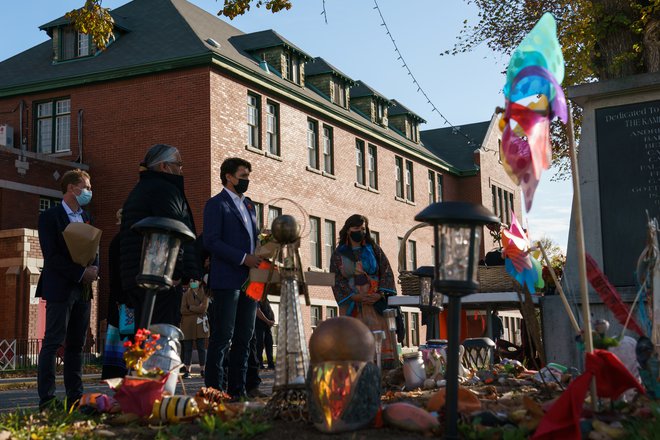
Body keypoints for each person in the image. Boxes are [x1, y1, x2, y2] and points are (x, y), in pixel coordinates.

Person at [119, 144, 202, 329]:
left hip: (137, 274)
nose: (181, 169)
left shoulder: (141, 189)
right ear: (164, 166)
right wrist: (176, 273)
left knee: (144, 333)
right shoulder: (165, 191)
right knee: (160, 335)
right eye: (178, 164)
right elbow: (174, 232)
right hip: (159, 277)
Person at [36, 169, 98, 410]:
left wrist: (93, 269)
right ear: (72, 188)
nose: (89, 192)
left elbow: (94, 247)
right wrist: (80, 273)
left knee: (75, 345)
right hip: (60, 288)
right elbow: (51, 256)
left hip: (83, 291)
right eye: (87, 187)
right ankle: (48, 399)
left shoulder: (87, 216)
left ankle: (75, 397)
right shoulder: (50, 217)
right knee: (52, 343)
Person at [203, 157, 261, 399]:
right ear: (228, 176)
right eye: (242, 176)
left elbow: (253, 239)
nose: (246, 180)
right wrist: (242, 258)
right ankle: (214, 391)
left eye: (248, 176)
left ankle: (238, 391)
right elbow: (211, 241)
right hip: (227, 279)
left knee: (245, 337)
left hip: (253, 280)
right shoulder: (216, 204)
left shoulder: (249, 205)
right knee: (222, 337)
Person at [329, 214, 398, 369]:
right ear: (348, 230)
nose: (360, 231)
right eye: (356, 228)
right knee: (356, 338)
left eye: (363, 229)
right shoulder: (339, 254)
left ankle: (384, 377)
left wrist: (379, 294)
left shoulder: (374, 249)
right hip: (352, 304)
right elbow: (336, 279)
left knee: (379, 339)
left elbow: (386, 272)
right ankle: (358, 378)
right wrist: (354, 296)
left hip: (375, 301)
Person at [101, 209, 129, 380]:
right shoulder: (122, 241)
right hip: (123, 300)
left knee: (120, 336)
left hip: (119, 299)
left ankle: (116, 371)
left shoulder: (116, 241)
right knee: (124, 335)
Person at [179, 279, 209, 378]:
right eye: (191, 280)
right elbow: (183, 310)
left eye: (194, 280)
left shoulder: (205, 292)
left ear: (200, 281)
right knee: (188, 347)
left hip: (200, 323)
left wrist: (190, 307)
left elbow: (204, 308)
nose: (192, 282)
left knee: (201, 347)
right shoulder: (186, 294)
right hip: (188, 324)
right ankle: (187, 370)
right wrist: (197, 309)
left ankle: (203, 370)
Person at [255, 297, 276, 369]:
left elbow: (270, 310)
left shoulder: (266, 299)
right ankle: (259, 364)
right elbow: (257, 311)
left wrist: (273, 320)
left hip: (268, 327)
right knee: (259, 346)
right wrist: (267, 321)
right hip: (259, 326)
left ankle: (271, 364)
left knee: (269, 344)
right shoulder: (257, 298)